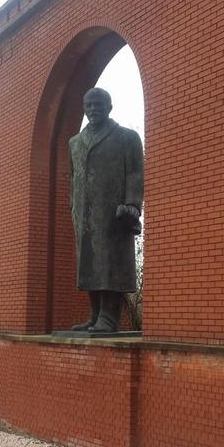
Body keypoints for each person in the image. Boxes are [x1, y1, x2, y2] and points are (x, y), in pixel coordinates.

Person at [69, 87, 144, 333]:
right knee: (89, 264)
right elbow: (73, 177)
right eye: (88, 105)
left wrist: (133, 204)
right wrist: (73, 206)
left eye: (98, 104)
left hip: (114, 212)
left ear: (109, 107)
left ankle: (109, 318)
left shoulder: (127, 137)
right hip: (84, 214)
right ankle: (95, 316)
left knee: (110, 263)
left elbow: (135, 173)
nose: (93, 109)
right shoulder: (75, 143)